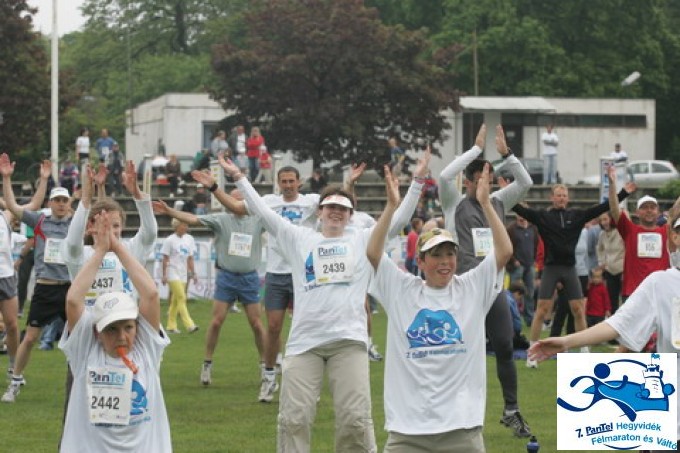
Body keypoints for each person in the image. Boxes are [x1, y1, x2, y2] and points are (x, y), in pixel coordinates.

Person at [219, 154, 379, 452]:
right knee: (294, 419)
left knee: (355, 420)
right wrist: (238, 177)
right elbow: (262, 212)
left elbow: (395, 220)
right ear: (319, 212)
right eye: (330, 207)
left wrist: (414, 187)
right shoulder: (300, 238)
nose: (335, 212)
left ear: (350, 214)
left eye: (342, 209)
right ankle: (269, 376)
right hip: (305, 343)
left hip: (348, 341)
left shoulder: (361, 238)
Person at [367, 162, 512, 453]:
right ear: (420, 262)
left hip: (461, 429)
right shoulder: (402, 290)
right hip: (407, 431)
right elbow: (373, 251)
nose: (445, 262)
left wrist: (486, 204)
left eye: (449, 254)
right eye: (435, 255)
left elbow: (504, 251)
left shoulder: (471, 287)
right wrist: (392, 206)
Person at [528, 215, 680, 449]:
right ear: (675, 237)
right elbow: (617, 324)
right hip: (670, 420)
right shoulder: (660, 283)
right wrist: (567, 341)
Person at [440, 124, 534, 437]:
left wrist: (507, 155)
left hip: (493, 291)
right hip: (463, 291)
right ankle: (451, 410)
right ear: (468, 181)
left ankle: (511, 410)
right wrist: (475, 150)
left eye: (490, 179)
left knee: (505, 346)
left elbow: (526, 182)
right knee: (460, 352)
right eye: (481, 178)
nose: (487, 184)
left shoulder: (497, 202)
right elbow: (444, 177)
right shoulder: (453, 201)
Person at [59, 211, 171, 452]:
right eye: (111, 329)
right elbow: (73, 301)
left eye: (128, 327)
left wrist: (117, 246)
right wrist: (100, 251)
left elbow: (151, 295)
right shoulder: (85, 351)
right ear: (97, 332)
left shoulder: (146, 349)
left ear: (137, 327)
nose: (122, 336)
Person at [152, 188, 268, 395]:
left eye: (241, 200)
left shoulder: (258, 220)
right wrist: (170, 211)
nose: (237, 203)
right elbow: (193, 219)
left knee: (257, 324)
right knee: (216, 322)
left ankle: (264, 365)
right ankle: (207, 364)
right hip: (227, 277)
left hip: (249, 277)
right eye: (233, 199)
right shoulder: (221, 220)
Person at [515, 182, 628, 369]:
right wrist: (506, 192)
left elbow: (602, 207)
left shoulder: (576, 216)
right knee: (542, 310)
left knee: (578, 309)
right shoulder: (543, 216)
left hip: (569, 268)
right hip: (551, 268)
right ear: (552, 198)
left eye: (564, 195)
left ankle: (584, 351)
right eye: (558, 195)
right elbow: (521, 210)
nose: (561, 198)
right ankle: (531, 354)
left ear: (567, 198)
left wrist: (623, 193)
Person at [1, 171, 73, 403]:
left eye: (64, 200)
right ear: (50, 203)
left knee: (81, 339)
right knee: (31, 338)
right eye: (57, 200)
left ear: (69, 204)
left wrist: (96, 186)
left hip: (71, 289)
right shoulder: (40, 221)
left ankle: (86, 383)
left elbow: (95, 207)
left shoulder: (76, 223)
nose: (61, 204)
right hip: (45, 287)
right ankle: (15, 381)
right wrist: (7, 178)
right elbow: (13, 206)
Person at [0, 158, 50, 378]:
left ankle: (13, 366)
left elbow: (34, 205)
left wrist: (44, 179)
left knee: (12, 325)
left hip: (6, 276)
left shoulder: (5, 216)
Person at [606, 165, 678, 302]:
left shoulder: (666, 231)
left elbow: (676, 210)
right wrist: (611, 184)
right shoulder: (629, 230)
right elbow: (614, 209)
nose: (649, 210)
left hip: (660, 293)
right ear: (637, 212)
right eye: (644, 208)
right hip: (633, 293)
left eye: (652, 207)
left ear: (658, 212)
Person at [161, 219, 199, 334]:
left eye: (186, 225)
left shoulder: (189, 239)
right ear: (176, 226)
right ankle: (190, 325)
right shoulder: (169, 240)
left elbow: (190, 258)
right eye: (183, 225)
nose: (186, 227)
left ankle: (171, 326)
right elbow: (165, 258)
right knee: (182, 297)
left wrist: (193, 273)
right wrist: (164, 275)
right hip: (172, 271)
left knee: (175, 301)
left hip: (183, 273)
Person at [506, 214, 539, 326]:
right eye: (520, 215)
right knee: (514, 293)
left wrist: (534, 259)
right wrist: (513, 260)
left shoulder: (533, 229)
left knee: (530, 292)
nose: (522, 217)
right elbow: (507, 245)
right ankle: (511, 317)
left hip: (530, 265)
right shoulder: (511, 229)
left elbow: (536, 245)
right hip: (517, 266)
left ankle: (530, 319)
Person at [596, 212, 624, 314]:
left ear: (611, 219)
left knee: (625, 299)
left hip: (622, 270)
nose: (603, 222)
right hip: (609, 271)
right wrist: (602, 262)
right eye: (601, 220)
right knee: (612, 300)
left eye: (605, 219)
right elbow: (599, 249)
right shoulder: (602, 234)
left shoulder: (620, 231)